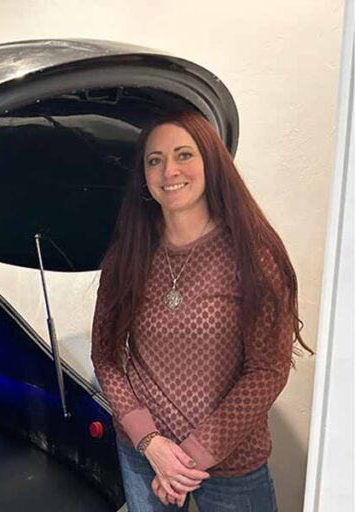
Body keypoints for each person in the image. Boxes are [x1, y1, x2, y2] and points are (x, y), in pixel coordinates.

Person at [90, 110, 313, 511]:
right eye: (154, 160)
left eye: (184, 154)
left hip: (230, 464)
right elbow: (105, 356)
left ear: (211, 161)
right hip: (145, 456)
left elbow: (267, 370)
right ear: (144, 176)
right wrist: (150, 443)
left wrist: (187, 460)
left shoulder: (253, 254)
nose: (169, 171)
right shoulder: (128, 255)